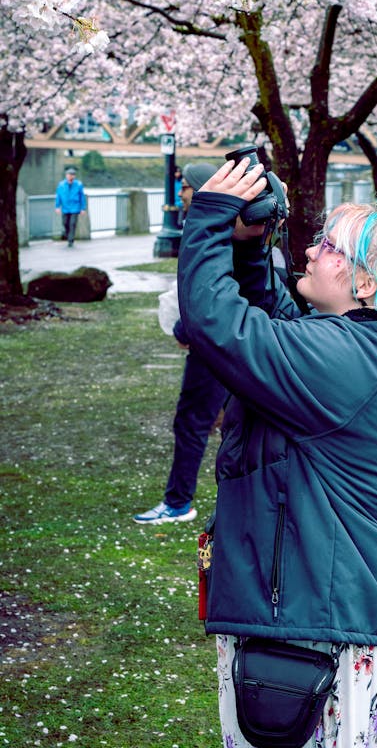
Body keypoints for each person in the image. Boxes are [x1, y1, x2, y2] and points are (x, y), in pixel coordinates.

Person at [177, 157, 377, 748]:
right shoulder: (373, 350)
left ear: (364, 281)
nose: (309, 251)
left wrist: (206, 220)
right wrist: (252, 247)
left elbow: (221, 327)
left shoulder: (349, 361)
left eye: (328, 246)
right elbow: (277, 325)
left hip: (321, 640)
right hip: (336, 617)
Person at [133, 162, 225, 525]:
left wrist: (185, 332)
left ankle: (178, 502)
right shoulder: (215, 228)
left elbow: (207, 289)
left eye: (186, 187)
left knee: (192, 421)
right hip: (219, 344)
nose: (181, 193)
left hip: (210, 347)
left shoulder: (209, 232)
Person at [55, 167, 86, 248]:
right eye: (69, 175)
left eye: (72, 175)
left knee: (72, 223)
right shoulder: (61, 184)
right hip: (65, 207)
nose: (70, 177)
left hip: (75, 207)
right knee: (65, 223)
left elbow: (82, 197)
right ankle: (68, 234)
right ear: (66, 176)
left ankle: (70, 240)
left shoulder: (78, 184)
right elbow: (58, 196)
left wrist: (83, 208)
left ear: (74, 176)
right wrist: (57, 206)